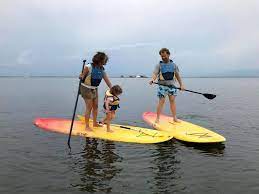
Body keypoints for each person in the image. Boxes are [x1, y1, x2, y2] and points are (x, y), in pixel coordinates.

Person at [149, 48, 185, 123]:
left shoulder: (174, 65)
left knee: (172, 101)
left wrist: (181, 85)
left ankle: (175, 118)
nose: (163, 57)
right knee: (161, 101)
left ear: (168, 54)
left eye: (165, 56)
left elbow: (177, 76)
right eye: (162, 56)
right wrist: (152, 80)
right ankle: (157, 118)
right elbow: (155, 74)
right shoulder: (159, 65)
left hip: (172, 86)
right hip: (162, 86)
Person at [79, 52, 112, 131]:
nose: (106, 62)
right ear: (100, 60)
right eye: (105, 60)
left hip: (94, 88)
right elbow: (82, 76)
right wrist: (81, 76)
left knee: (96, 106)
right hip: (86, 88)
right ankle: (87, 126)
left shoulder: (101, 69)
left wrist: (112, 89)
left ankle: (94, 123)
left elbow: (107, 80)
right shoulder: (88, 67)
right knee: (89, 107)